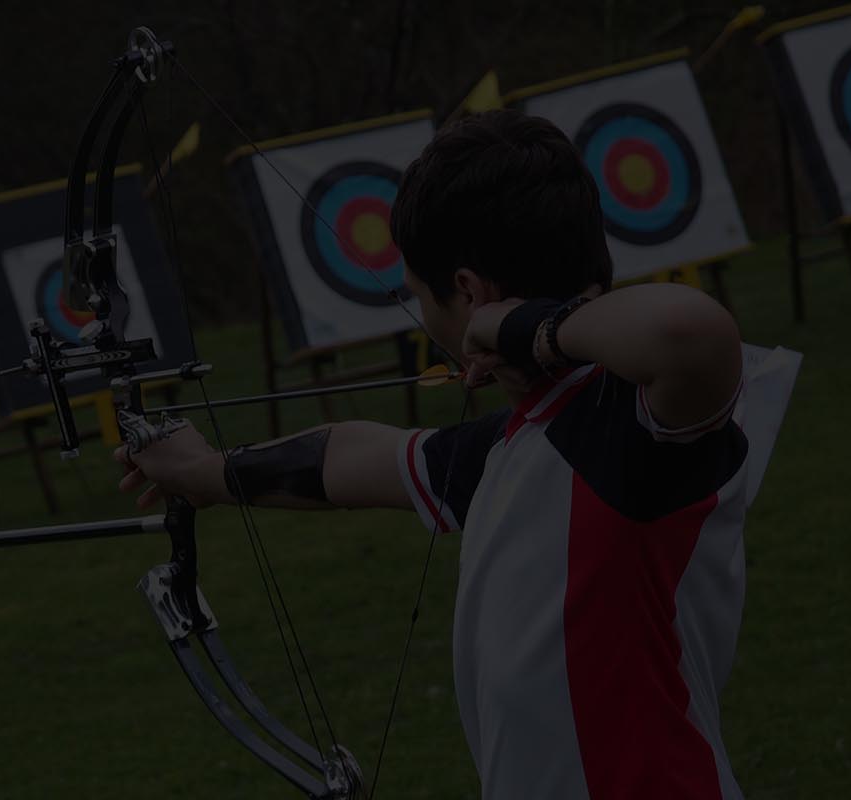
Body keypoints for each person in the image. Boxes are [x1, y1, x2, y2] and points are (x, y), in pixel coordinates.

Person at [114, 109, 748, 799]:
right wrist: (204, 471)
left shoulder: (633, 430)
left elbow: (694, 331)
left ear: (470, 294)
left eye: (423, 299)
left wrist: (518, 329)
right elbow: (352, 458)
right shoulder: (513, 446)